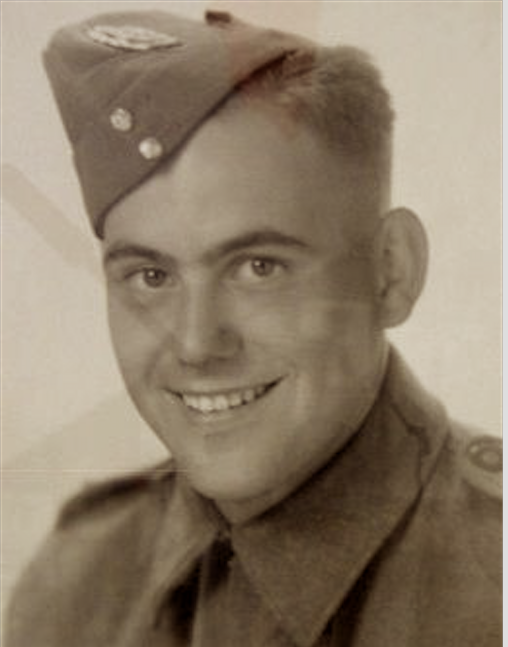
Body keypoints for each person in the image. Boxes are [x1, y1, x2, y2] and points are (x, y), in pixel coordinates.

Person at [5, 8, 501, 647]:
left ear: (390, 272)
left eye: (258, 267)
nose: (195, 343)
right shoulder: (76, 583)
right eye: (151, 276)